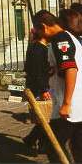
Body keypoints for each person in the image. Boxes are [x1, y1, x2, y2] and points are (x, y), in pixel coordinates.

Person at [32, 10, 82, 163]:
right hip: (76, 106)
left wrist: (66, 104)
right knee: (78, 147)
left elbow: (71, 69)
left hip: (67, 108)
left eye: (38, 30)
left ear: (44, 27)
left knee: (52, 146)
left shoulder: (60, 39)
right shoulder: (69, 36)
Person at [22, 28, 51, 153]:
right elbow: (37, 71)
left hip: (35, 86)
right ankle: (37, 141)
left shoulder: (34, 47)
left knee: (43, 117)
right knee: (46, 117)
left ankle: (33, 139)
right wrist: (44, 89)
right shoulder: (40, 49)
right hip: (39, 87)